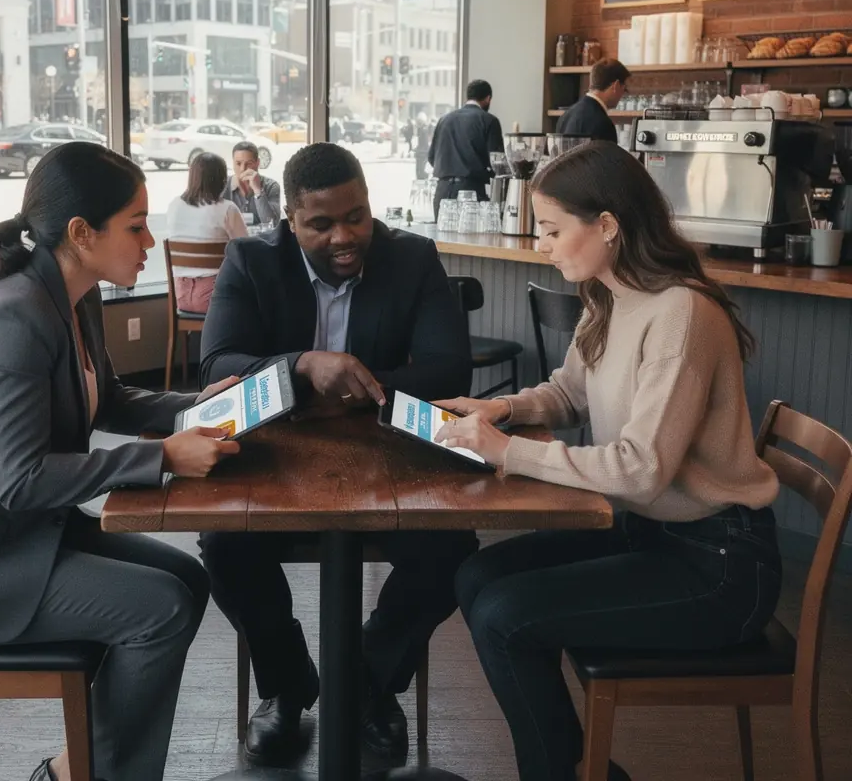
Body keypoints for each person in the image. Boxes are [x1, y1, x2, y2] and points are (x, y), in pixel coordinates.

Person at [0, 143, 242, 781]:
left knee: (190, 582)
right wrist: (161, 457)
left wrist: (194, 407)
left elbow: (111, 398)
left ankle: (82, 766)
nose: (150, 239)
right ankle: (92, 774)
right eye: (136, 224)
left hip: (13, 535)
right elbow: (22, 480)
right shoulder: (15, 316)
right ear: (80, 232)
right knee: (163, 608)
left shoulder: (74, 294)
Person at [432, 142, 781, 781]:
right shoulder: (611, 294)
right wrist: (496, 412)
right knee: (476, 579)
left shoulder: (680, 314)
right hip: (651, 530)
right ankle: (573, 768)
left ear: (608, 226)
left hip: (719, 566)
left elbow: (642, 467)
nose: (543, 244)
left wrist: (509, 455)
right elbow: (569, 392)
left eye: (553, 230)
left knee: (505, 616)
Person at [198, 143, 478, 766]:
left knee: (450, 551)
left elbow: (449, 366)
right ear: (290, 221)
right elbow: (216, 365)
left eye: (357, 216)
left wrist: (351, 390)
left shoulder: (412, 257)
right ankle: (288, 687)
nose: (345, 236)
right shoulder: (250, 260)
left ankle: (367, 682)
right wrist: (302, 367)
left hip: (391, 462)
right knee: (224, 548)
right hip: (277, 466)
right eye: (321, 224)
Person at [166, 152, 248, 314]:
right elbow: (247, 251)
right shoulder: (227, 208)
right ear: (221, 179)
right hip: (215, 298)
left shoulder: (174, 205)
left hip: (181, 296)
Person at [428, 79, 504, 216]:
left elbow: (431, 157)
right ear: (488, 98)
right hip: (470, 192)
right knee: (470, 236)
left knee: (442, 236)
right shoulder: (489, 120)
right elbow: (497, 162)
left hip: (442, 192)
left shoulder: (444, 119)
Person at [556, 57, 630, 143]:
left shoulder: (565, 116)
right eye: (624, 89)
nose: (622, 95)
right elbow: (607, 156)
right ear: (616, 86)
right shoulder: (603, 124)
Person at [223, 141, 281, 227]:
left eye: (249, 164)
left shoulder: (271, 186)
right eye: (238, 163)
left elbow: (272, 223)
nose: (242, 169)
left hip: (261, 239)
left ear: (257, 163)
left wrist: (258, 190)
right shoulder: (223, 185)